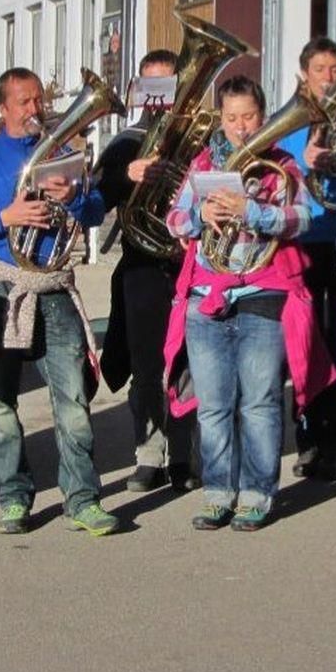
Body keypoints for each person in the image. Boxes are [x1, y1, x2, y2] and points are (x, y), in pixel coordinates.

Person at [0, 67, 117, 537]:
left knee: (73, 400)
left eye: (38, 100)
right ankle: (13, 496)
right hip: (3, 288)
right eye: (23, 102)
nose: (34, 110)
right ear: (3, 109)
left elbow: (97, 211)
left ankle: (82, 498)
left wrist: (77, 196)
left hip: (52, 285)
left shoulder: (64, 153)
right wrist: (8, 215)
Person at [163, 75, 332, 532]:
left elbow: (304, 217)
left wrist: (251, 212)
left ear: (264, 115)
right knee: (214, 404)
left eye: (250, 117)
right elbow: (173, 220)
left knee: (258, 402)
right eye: (232, 117)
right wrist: (201, 215)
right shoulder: (202, 165)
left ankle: (257, 493)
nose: (241, 127)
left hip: (263, 294)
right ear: (220, 118)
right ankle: (218, 493)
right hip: (207, 295)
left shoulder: (281, 165)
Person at [95, 48, 197, 492]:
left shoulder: (195, 139)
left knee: (186, 364)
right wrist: (127, 176)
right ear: (139, 91)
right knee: (146, 364)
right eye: (150, 87)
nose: (158, 97)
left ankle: (182, 454)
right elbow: (99, 199)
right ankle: (147, 453)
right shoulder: (123, 142)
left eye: (167, 87)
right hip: (141, 263)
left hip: (186, 264)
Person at [275, 37, 336, 482]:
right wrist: (303, 159)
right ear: (303, 74)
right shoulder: (286, 122)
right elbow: (269, 171)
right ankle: (308, 435)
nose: (330, 78)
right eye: (321, 69)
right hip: (300, 239)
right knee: (303, 344)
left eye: (335, 69)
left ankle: (333, 442)